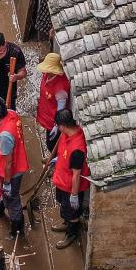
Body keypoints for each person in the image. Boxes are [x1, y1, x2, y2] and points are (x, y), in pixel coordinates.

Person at [0, 96, 29, 240]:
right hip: (18, 161)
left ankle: (17, 231)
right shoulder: (12, 113)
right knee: (7, 197)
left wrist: (6, 183)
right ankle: (0, 211)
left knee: (12, 200)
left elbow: (8, 164)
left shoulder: (4, 137)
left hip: (12, 171)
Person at [50, 109, 90, 249]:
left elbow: (76, 175)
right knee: (64, 206)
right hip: (61, 180)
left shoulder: (77, 149)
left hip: (69, 186)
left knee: (72, 211)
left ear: (62, 126)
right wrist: (57, 159)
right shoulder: (66, 135)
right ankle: (66, 222)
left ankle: (71, 233)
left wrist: (74, 194)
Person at [36, 52, 71, 152]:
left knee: (52, 145)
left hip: (53, 120)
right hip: (45, 114)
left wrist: (57, 124)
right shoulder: (46, 75)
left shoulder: (60, 88)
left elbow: (61, 108)